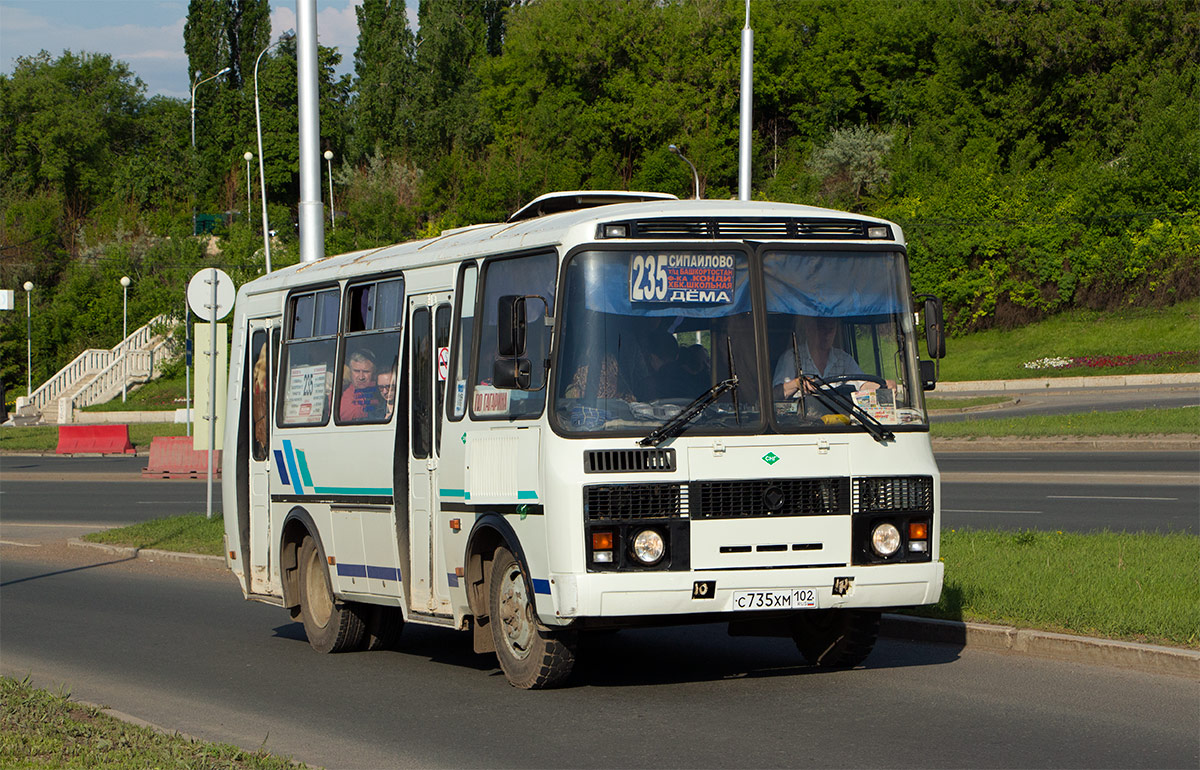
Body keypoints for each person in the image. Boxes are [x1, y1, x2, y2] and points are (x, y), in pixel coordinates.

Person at [772, 315, 870, 399]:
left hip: (840, 417)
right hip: (803, 419)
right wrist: (797, 383)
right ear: (809, 329)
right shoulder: (792, 357)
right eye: (822, 329)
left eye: (830, 329)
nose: (826, 334)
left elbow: (863, 385)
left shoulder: (844, 359)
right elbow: (775, 394)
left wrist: (883, 384)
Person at [339, 347, 384, 421]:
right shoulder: (339, 394)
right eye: (356, 371)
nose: (361, 377)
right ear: (350, 371)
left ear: (374, 373)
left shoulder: (383, 391)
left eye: (366, 372)